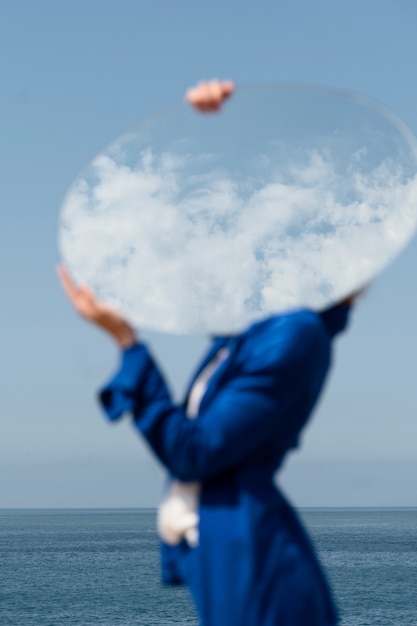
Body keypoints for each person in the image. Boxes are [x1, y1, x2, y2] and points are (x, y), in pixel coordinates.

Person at [58, 80, 358, 626]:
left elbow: (192, 451)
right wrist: (210, 139)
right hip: (229, 561)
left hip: (261, 575)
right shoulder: (244, 338)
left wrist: (128, 344)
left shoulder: (293, 337)